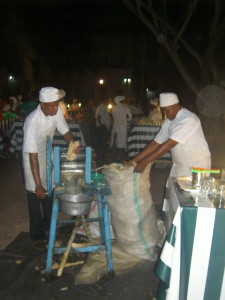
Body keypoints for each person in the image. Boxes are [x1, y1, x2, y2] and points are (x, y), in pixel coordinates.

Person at [22, 87, 80, 247]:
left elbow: (65, 131)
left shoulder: (56, 113)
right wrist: (38, 185)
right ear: (42, 105)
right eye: (53, 106)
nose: (56, 108)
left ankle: (49, 227)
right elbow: (33, 156)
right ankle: (37, 235)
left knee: (50, 192)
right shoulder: (32, 122)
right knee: (35, 195)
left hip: (47, 156)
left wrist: (73, 143)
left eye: (57, 104)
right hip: (32, 159)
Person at [128, 93, 211, 177]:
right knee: (173, 189)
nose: (165, 114)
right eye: (163, 111)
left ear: (176, 105)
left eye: (167, 111)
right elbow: (155, 143)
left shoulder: (189, 119)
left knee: (188, 190)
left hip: (196, 165)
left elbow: (170, 143)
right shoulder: (168, 121)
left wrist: (145, 161)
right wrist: (135, 160)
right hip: (179, 165)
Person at [110, 95, 132, 162]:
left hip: (115, 127)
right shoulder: (125, 107)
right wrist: (125, 120)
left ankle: (113, 158)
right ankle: (122, 159)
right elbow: (130, 117)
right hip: (123, 127)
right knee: (122, 143)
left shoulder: (113, 108)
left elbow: (113, 117)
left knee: (115, 142)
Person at [95, 98, 110, 163]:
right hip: (102, 127)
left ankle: (101, 156)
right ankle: (101, 157)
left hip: (103, 126)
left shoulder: (102, 107)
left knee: (102, 142)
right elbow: (98, 116)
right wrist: (101, 124)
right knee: (102, 142)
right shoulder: (102, 107)